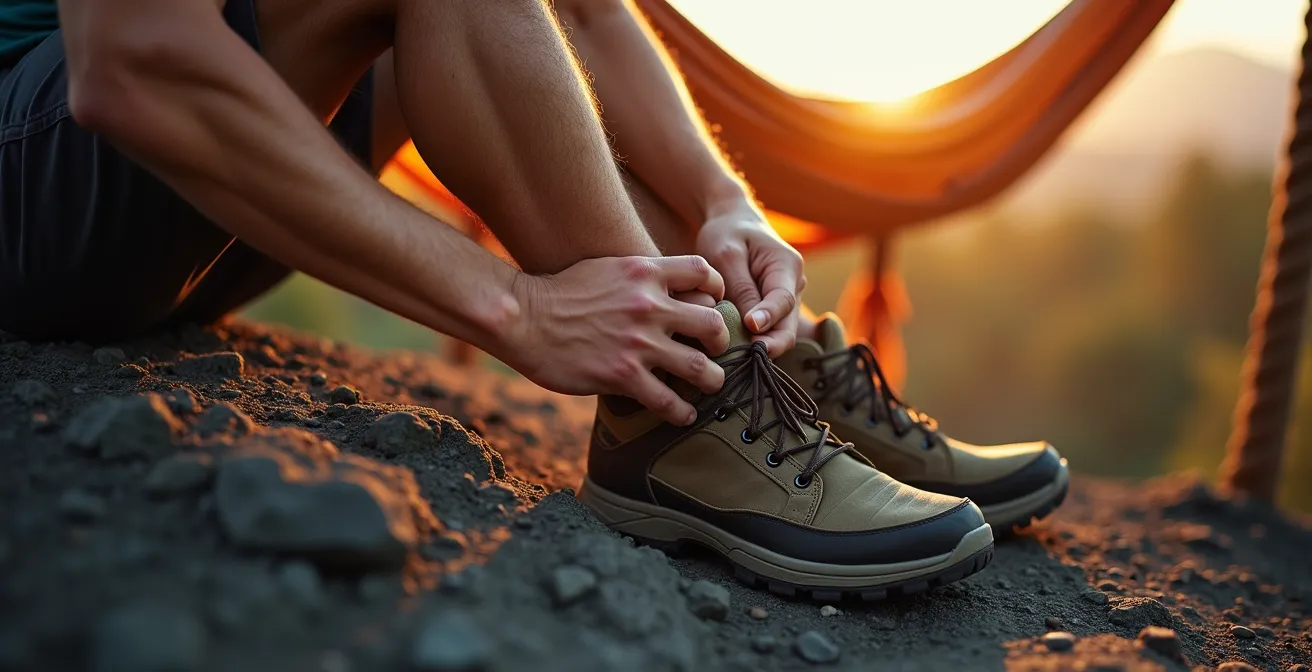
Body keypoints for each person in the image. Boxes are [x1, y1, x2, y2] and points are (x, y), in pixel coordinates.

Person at [0, 0, 1067, 597]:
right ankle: (685, 407)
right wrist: (517, 309)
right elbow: (131, 60)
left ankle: (746, 362)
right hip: (42, 185)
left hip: (206, 206)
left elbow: (593, 13)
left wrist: (726, 204)